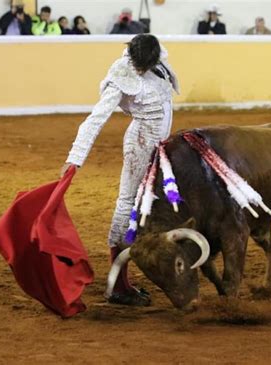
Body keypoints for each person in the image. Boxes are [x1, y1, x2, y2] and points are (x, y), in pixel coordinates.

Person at [60, 34, 179, 306]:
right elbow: (96, 118)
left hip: (162, 143)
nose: (138, 70)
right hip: (140, 143)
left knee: (157, 202)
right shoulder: (121, 73)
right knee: (127, 204)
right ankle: (118, 284)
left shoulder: (158, 59)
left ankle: (149, 264)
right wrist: (75, 158)